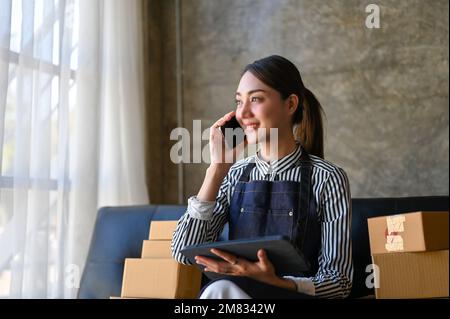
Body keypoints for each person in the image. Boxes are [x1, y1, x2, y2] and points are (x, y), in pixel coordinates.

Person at [171, 55, 353, 299]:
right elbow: (183, 253)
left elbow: (339, 283)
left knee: (220, 290)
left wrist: (277, 282)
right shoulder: (233, 174)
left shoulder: (328, 178)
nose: (243, 113)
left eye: (255, 99)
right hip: (238, 295)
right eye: (239, 101)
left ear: (290, 105)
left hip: (294, 297)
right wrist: (216, 170)